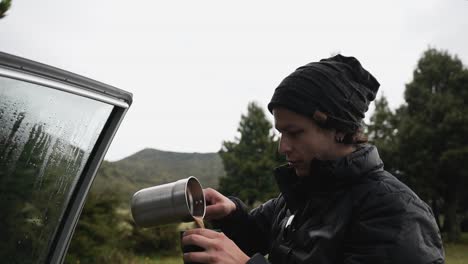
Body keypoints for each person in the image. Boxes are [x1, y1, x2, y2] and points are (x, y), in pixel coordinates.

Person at [181, 55, 445, 264]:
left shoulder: (395, 213)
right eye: (281, 133)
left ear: (339, 130)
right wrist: (232, 215)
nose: (283, 147)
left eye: (294, 133)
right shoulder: (300, 195)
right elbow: (255, 235)